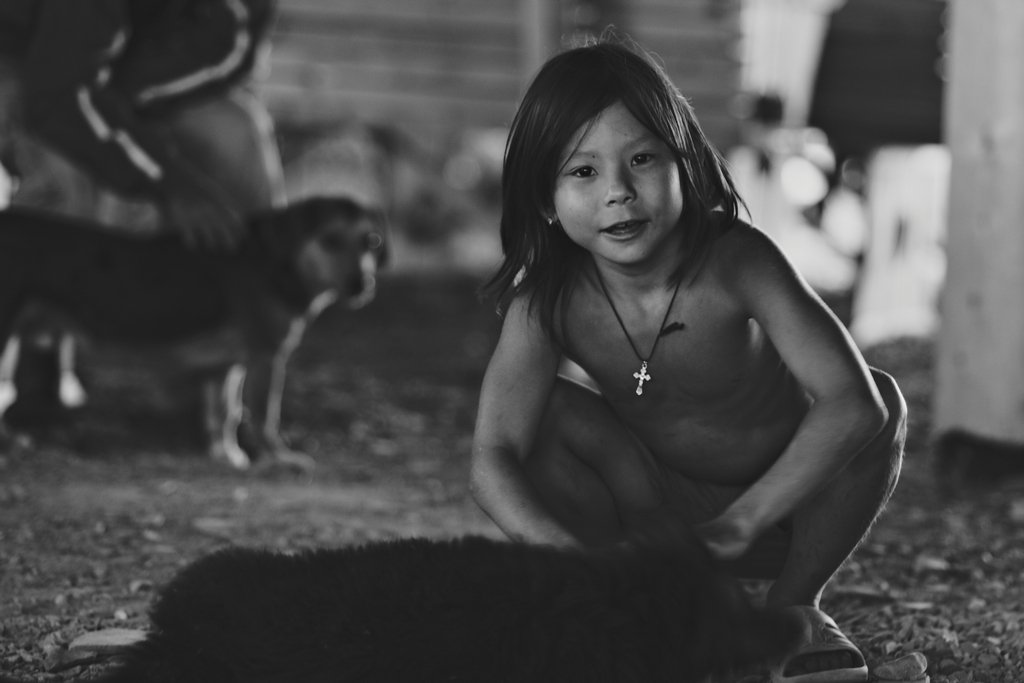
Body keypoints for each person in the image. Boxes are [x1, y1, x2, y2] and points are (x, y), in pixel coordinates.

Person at [470, 39, 906, 683]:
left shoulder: (737, 260)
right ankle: (628, 606)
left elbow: (854, 403)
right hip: (655, 518)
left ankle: (793, 610)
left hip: (786, 507)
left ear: (688, 165)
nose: (619, 192)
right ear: (543, 199)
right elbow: (492, 458)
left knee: (882, 394)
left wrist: (743, 522)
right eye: (583, 172)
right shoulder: (547, 300)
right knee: (544, 416)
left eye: (642, 159)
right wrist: (581, 567)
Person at [0, 0, 285, 427]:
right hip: (25, 59)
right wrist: (164, 179)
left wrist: (132, 124)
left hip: (114, 66)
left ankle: (208, 367)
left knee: (234, 132)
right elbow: (58, 98)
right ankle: (35, 364)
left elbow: (230, 54)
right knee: (68, 167)